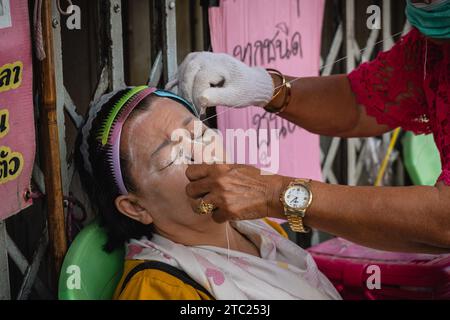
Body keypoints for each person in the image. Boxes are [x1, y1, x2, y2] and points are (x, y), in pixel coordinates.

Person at [167, 0, 450, 254]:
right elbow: (360, 103)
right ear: (133, 207)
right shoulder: (433, 47)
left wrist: (276, 194)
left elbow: (444, 219)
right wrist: (265, 87)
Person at [76, 86, 341, 300]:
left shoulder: (260, 229)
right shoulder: (156, 289)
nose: (205, 153)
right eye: (174, 158)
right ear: (137, 207)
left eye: (200, 132)